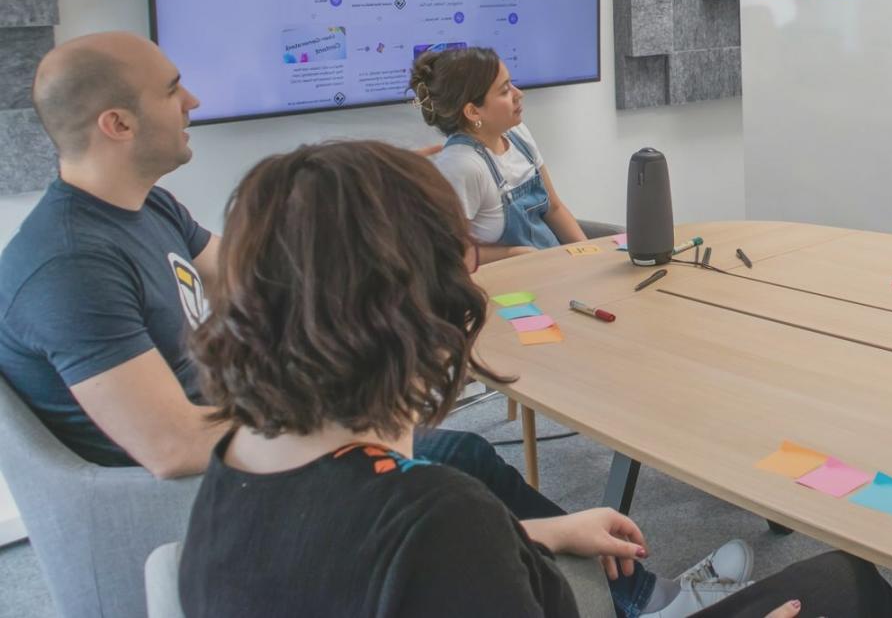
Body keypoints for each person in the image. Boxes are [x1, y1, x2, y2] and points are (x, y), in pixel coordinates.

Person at [0, 33, 750, 616]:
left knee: (463, 454)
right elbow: (166, 446)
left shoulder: (147, 205)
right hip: (205, 484)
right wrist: (330, 403)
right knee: (454, 494)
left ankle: (634, 593)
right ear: (117, 121)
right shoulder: (69, 269)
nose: (192, 98)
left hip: (275, 453)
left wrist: (366, 195)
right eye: (172, 90)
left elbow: (285, 271)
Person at [179, 140, 892, 618]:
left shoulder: (240, 465)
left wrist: (528, 532)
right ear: (425, 301)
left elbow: (367, 575)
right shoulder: (436, 515)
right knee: (850, 589)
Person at [410, 46, 588, 263]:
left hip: (550, 268)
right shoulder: (461, 165)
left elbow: (554, 208)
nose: (518, 94)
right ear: (473, 111)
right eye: (505, 91)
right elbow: (455, 255)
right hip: (513, 284)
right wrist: (513, 254)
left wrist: (590, 254)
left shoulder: (517, 134)